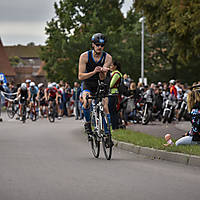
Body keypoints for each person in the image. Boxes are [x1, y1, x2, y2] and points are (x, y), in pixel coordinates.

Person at [78, 33, 112, 140]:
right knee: (87, 101)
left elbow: (102, 78)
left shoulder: (107, 57)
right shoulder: (84, 56)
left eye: (102, 45)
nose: (99, 47)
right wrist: (94, 72)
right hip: (88, 82)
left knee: (105, 106)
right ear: (93, 45)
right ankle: (88, 123)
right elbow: (80, 76)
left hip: (101, 83)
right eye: (97, 45)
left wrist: (102, 71)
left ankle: (108, 134)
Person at [108, 61, 122, 130]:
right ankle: (114, 126)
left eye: (111, 65)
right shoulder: (112, 73)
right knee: (112, 111)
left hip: (113, 94)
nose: (110, 67)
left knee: (113, 111)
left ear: (115, 66)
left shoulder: (116, 74)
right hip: (110, 94)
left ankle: (115, 127)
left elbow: (111, 84)